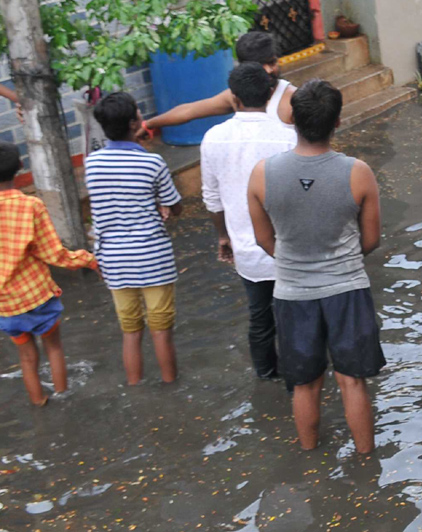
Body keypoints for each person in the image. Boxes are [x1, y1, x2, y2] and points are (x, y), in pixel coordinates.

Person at [248, 80, 384, 453]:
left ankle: (308, 456)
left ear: (292, 119)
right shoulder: (358, 172)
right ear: (337, 122)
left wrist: (295, 261)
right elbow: (371, 239)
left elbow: (263, 239)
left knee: (304, 383)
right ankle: (366, 460)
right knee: (352, 381)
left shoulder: (262, 173)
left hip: (292, 293)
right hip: (347, 290)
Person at [201, 63, 297, 380]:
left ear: (234, 98)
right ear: (271, 94)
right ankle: (300, 376)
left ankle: (266, 375)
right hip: (289, 249)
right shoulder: (288, 137)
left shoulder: (213, 138)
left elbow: (212, 199)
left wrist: (223, 237)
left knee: (259, 317)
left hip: (247, 249)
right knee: (294, 315)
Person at [85, 92, 184, 384]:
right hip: (152, 257)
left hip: (113, 258)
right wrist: (161, 205)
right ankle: (170, 386)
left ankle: (135, 385)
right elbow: (175, 206)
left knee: (130, 331)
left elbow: (107, 205)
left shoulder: (91, 164)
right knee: (161, 330)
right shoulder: (153, 163)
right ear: (134, 124)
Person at [0, 143, 98, 405]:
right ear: (21, 167)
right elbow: (54, 254)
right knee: (54, 348)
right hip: (37, 296)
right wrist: (88, 259)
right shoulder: (31, 206)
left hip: (6, 304)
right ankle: (63, 397)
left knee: (27, 357)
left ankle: (39, 403)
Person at [144, 32, 296, 134]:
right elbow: (188, 111)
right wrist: (148, 125)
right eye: (262, 64)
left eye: (273, 62)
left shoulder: (293, 99)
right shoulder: (239, 95)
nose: (269, 70)